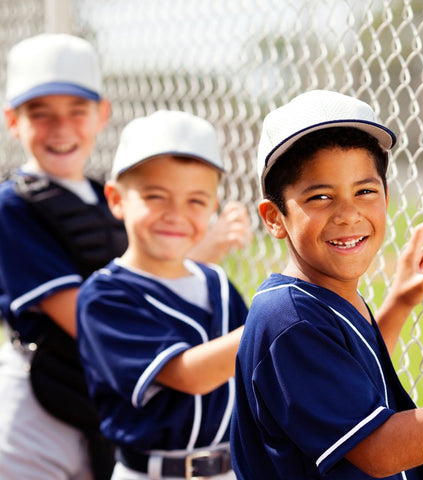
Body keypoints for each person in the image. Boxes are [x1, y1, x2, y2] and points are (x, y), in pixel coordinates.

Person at [0, 33, 251, 480]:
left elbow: (155, 274)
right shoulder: (13, 205)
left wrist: (195, 256)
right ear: (12, 121)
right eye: (41, 114)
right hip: (42, 397)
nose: (61, 128)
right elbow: (86, 316)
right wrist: (203, 252)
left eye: (77, 111)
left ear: (102, 114)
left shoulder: (99, 196)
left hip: (115, 394)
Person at [228, 89, 423, 480]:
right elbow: (380, 450)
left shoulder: (321, 298)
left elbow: (349, 377)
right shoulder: (288, 320)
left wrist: (398, 303)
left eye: (365, 191)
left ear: (387, 196)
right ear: (275, 217)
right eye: (320, 196)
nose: (348, 214)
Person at [76, 109, 248, 480]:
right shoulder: (105, 296)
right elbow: (190, 376)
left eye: (196, 201)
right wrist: (279, 317)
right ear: (116, 199)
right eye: (156, 196)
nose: (176, 214)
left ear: (213, 207)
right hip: (150, 473)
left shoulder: (217, 284)